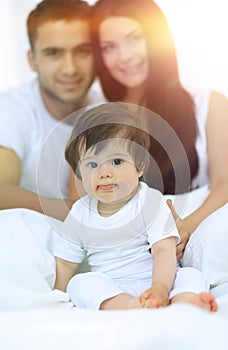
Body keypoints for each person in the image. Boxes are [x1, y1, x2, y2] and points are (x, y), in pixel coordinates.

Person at [90, 0, 228, 259]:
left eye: (134, 38)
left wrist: (181, 229)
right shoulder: (97, 120)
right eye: (109, 47)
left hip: (194, 234)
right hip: (131, 253)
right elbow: (83, 203)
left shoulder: (210, 104)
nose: (125, 56)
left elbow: (224, 183)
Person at [53, 102, 217, 312]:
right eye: (92, 165)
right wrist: (55, 295)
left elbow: (163, 251)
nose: (104, 173)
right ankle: (133, 305)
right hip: (114, 287)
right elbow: (65, 263)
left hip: (158, 278)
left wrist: (159, 287)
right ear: (79, 172)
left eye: (116, 162)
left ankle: (185, 302)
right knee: (80, 284)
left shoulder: (149, 201)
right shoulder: (79, 213)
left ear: (139, 166)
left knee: (190, 275)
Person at [0, 0, 105, 220]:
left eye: (82, 51)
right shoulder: (13, 107)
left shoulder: (106, 107)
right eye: (54, 53)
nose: (70, 69)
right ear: (32, 60)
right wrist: (77, 213)